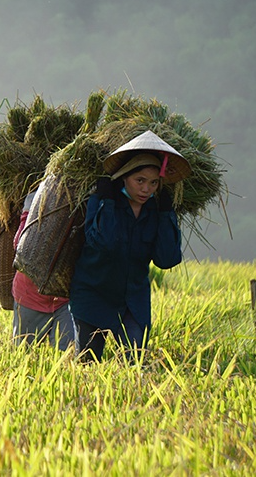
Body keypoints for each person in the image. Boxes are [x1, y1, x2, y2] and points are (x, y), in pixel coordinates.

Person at [67, 131, 190, 362]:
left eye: (153, 183)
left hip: (133, 301)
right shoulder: (101, 202)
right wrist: (108, 201)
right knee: (88, 364)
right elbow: (104, 243)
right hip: (93, 295)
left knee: (135, 364)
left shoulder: (156, 212)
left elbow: (167, 259)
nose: (146, 189)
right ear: (124, 177)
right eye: (140, 181)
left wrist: (165, 214)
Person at [11, 186, 75, 351]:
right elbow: (20, 245)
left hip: (65, 298)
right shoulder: (36, 198)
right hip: (30, 296)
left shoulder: (82, 200)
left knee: (66, 355)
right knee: (24, 354)